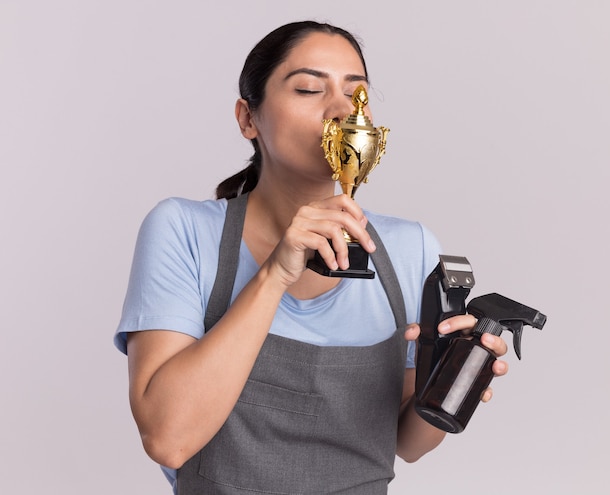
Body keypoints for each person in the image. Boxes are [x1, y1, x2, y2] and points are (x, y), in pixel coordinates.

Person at [114, 20, 509, 494]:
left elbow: (407, 442)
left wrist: (454, 381)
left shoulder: (410, 248)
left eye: (357, 93)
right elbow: (168, 438)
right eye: (308, 88)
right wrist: (276, 273)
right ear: (247, 119)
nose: (341, 110)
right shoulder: (184, 229)